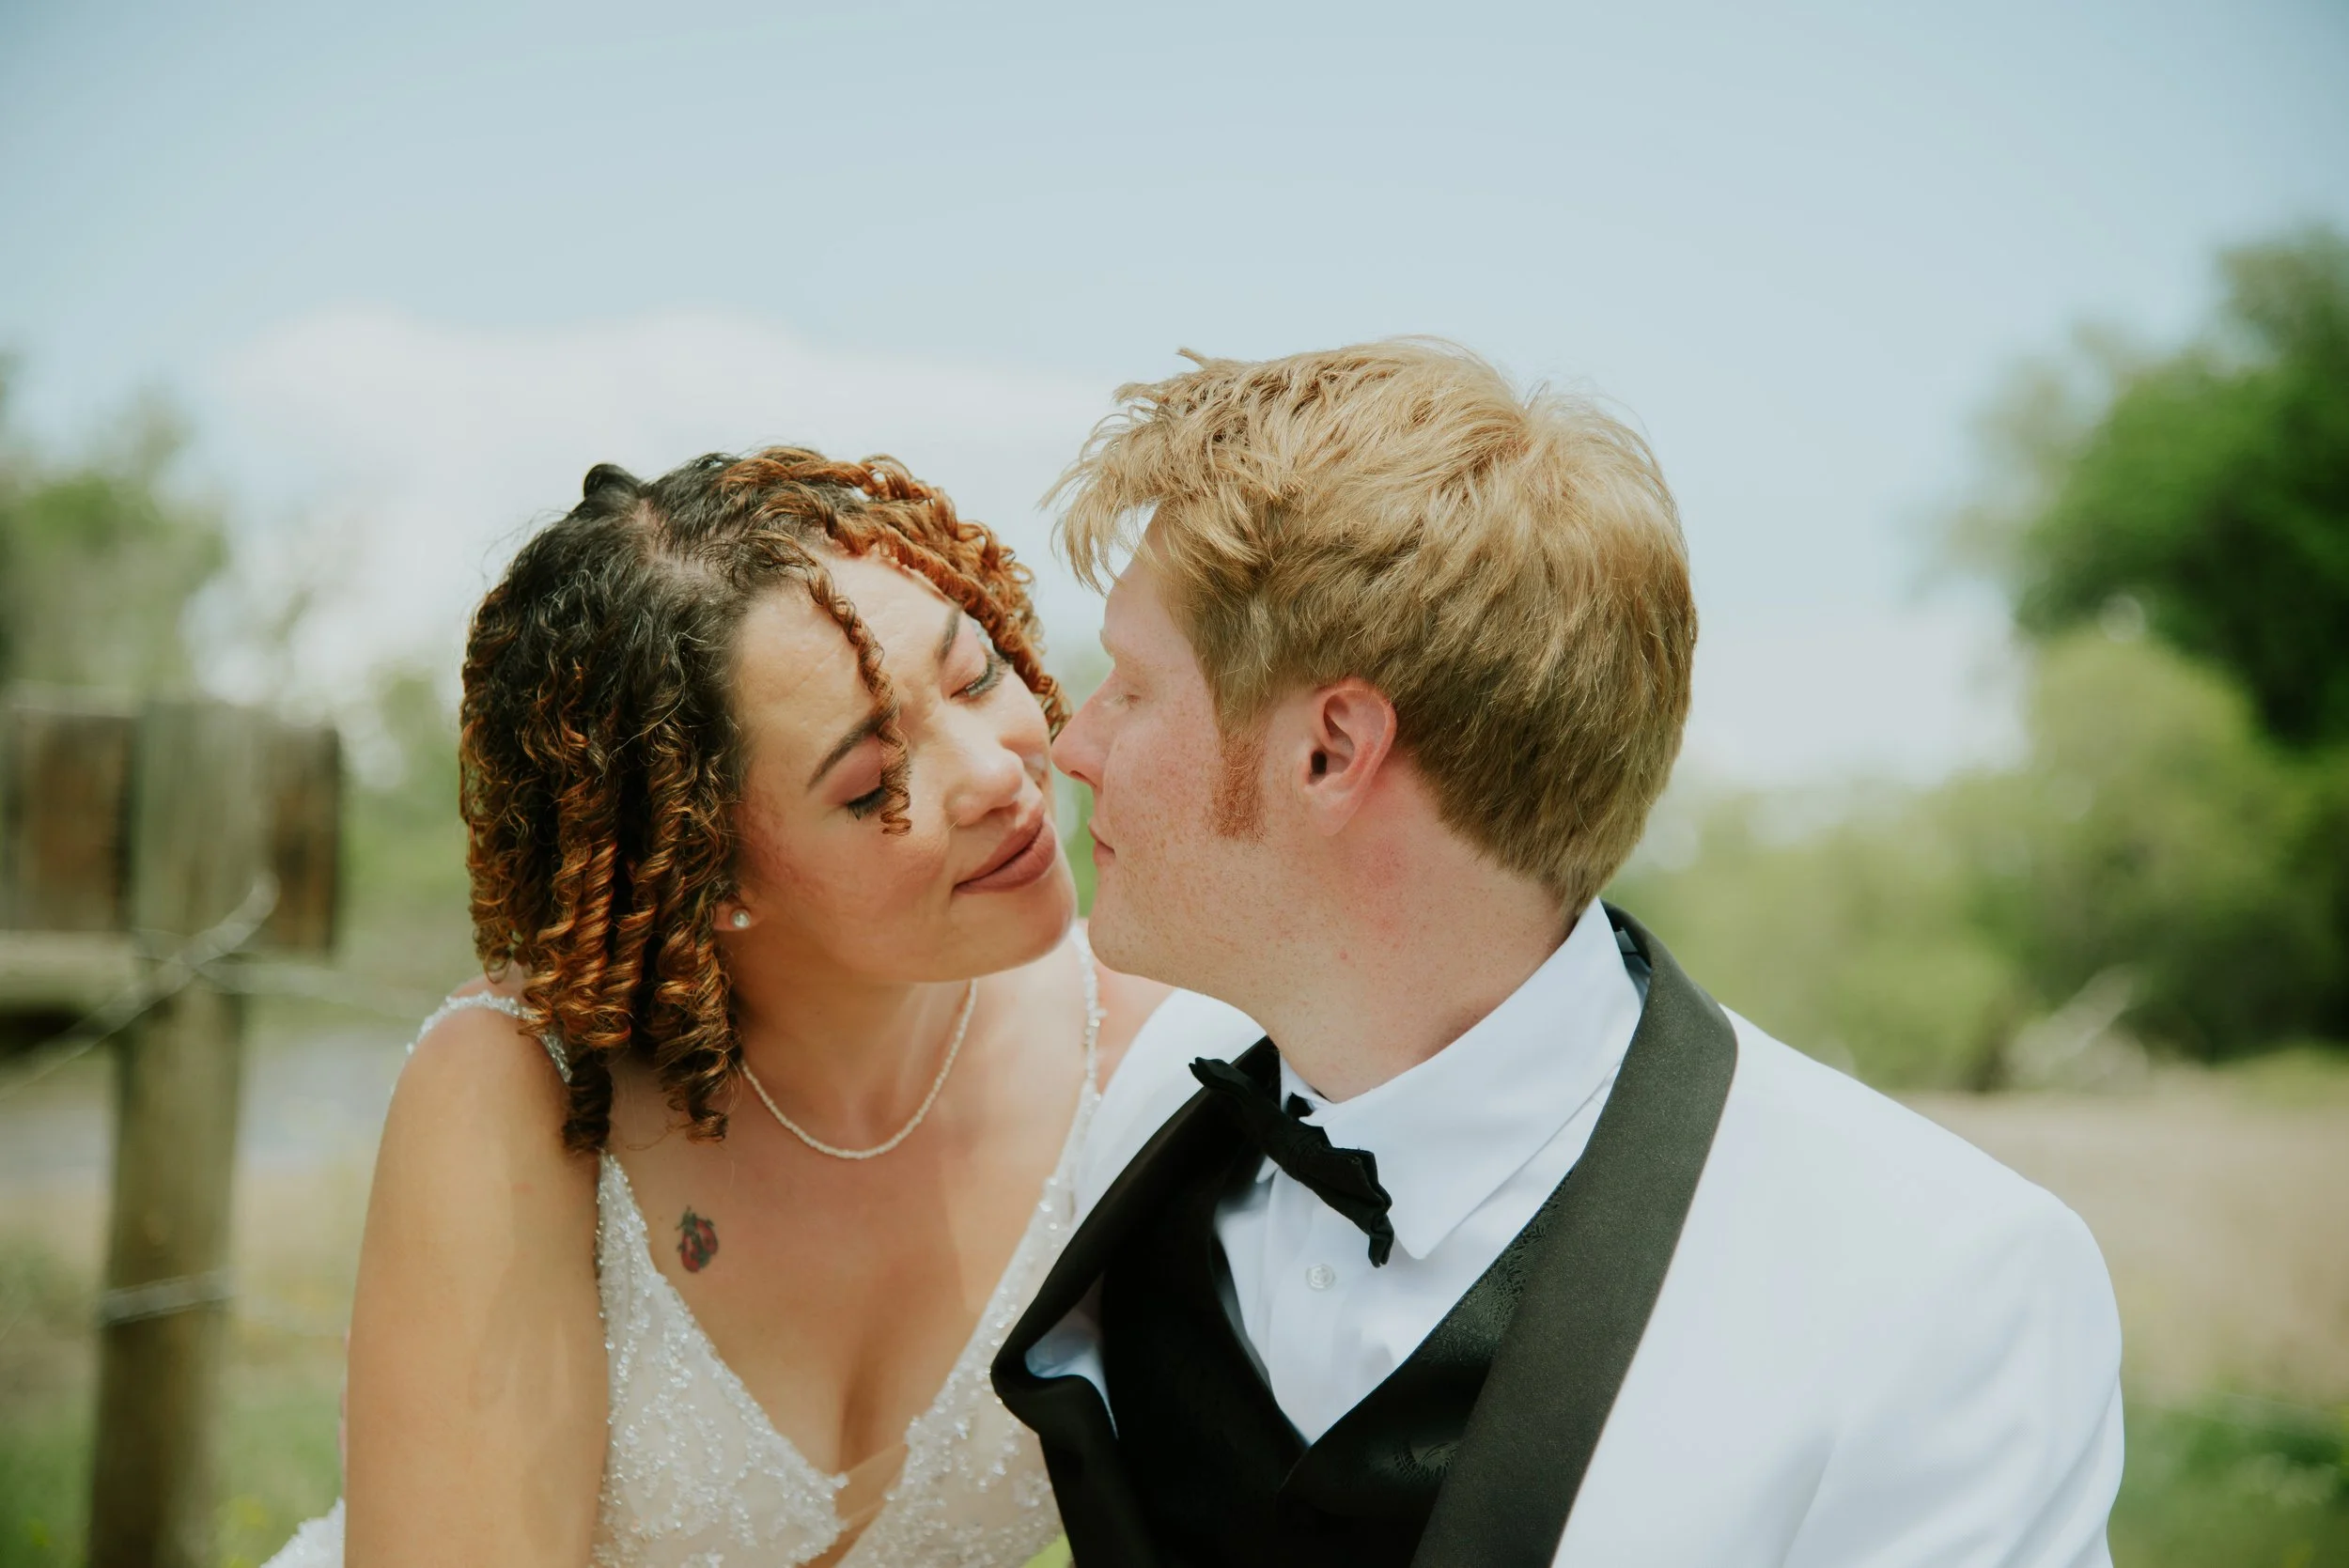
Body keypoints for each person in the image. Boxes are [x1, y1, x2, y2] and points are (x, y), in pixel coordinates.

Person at [992, 341, 2126, 1567]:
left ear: (1331, 749)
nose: (1074, 742)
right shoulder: (1152, 1104)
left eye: (1136, 687)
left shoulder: (1940, 1287)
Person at [267, 448, 1170, 1568]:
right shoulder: (524, 1088)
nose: (996, 772)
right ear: (710, 873)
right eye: (870, 784)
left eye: (975, 673)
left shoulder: (1154, 1051)